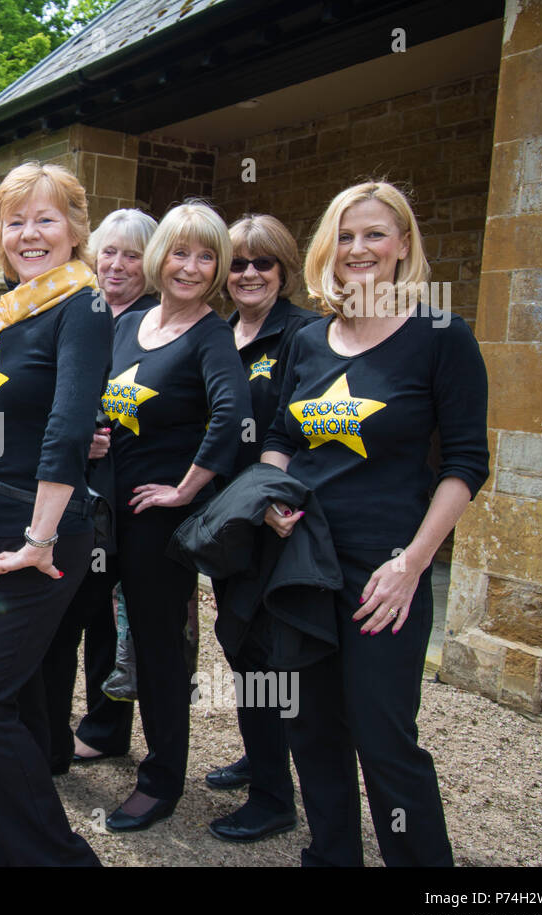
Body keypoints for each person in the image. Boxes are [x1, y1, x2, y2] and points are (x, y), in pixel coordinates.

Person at [261, 181, 488, 866]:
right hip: (302, 562)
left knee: (383, 736)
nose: (359, 249)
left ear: (403, 247)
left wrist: (412, 564)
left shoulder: (441, 337)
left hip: (385, 568)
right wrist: (272, 493)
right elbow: (280, 434)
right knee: (309, 726)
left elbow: (468, 464)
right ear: (329, 248)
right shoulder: (306, 338)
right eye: (346, 236)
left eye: (375, 234)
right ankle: (332, 856)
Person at [0, 161, 108, 866]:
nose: (29, 233)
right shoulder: (14, 312)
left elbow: (69, 428)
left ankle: (63, 858)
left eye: (46, 218)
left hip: (37, 536)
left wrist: (38, 541)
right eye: (15, 220)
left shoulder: (82, 305)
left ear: (76, 228)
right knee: (9, 702)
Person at [102, 200, 250, 833]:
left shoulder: (211, 332)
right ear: (160, 254)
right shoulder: (129, 324)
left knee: (160, 650)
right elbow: (101, 401)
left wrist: (185, 490)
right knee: (103, 636)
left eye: (205, 255)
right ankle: (91, 734)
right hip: (107, 511)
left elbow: (233, 416)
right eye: (180, 251)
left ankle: (161, 779)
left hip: (156, 525)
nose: (190, 267)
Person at [202, 213, 319, 842]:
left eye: (263, 264)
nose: (249, 274)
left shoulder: (304, 334)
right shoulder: (219, 333)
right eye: (239, 263)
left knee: (269, 652)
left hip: (277, 522)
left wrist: (278, 497)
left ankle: (276, 797)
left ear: (284, 270)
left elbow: (306, 431)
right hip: (227, 521)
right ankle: (263, 754)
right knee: (240, 646)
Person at [42, 207, 158, 775]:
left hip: (127, 501)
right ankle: (54, 732)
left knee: (111, 623)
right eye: (107, 252)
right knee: (68, 617)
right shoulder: (80, 311)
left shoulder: (155, 323)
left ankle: (106, 728)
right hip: (71, 495)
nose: (116, 265)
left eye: (132, 255)